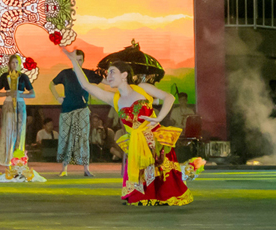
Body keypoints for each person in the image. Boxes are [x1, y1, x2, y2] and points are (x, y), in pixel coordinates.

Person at [57, 45, 191, 206]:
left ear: (125, 74)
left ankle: (159, 195)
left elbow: (169, 97)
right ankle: (143, 195)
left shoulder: (142, 88)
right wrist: (74, 62)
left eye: (112, 72)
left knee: (162, 179)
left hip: (155, 140)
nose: (109, 76)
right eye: (109, 73)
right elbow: (86, 85)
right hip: (136, 143)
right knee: (140, 188)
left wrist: (159, 118)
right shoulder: (114, 99)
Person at [51, 49, 95, 177]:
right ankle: (64, 168)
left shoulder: (87, 73)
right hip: (67, 109)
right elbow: (51, 84)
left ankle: (86, 168)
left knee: (83, 138)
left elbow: (100, 81)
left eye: (80, 60)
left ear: (83, 61)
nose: (78, 62)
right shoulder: (66, 73)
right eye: (76, 60)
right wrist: (57, 97)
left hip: (82, 108)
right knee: (65, 137)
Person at [0, 53, 35, 176]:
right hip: (8, 105)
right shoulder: (4, 76)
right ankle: (7, 162)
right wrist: (7, 94)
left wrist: (20, 95)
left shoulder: (23, 77)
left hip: (20, 105)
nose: (14, 65)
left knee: (20, 133)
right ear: (9, 64)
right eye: (12, 63)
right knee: (8, 132)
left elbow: (32, 94)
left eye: (16, 63)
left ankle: (19, 162)